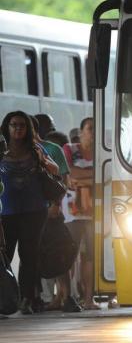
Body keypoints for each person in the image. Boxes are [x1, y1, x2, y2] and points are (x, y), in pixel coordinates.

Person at [0, 111, 59, 314]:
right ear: (7, 127)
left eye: (22, 125)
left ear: (28, 129)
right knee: (4, 255)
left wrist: (43, 160)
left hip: (34, 211)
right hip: (5, 212)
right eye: (14, 125)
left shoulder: (35, 149)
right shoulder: (1, 149)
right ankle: (6, 299)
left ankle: (27, 298)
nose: (18, 129)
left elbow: (55, 169)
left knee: (29, 255)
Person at [32, 116, 82, 313]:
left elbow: (64, 180)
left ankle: (67, 296)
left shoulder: (52, 149)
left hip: (50, 211)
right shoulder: (11, 151)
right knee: (29, 255)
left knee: (58, 253)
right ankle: (31, 298)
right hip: (23, 211)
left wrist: (55, 204)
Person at [62, 117, 99, 310]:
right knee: (70, 254)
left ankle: (88, 299)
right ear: (81, 131)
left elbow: (105, 175)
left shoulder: (101, 151)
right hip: (73, 211)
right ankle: (67, 297)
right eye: (90, 128)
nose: (93, 132)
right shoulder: (69, 149)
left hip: (95, 212)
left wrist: (84, 177)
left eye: (96, 128)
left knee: (90, 256)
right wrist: (94, 176)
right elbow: (70, 174)